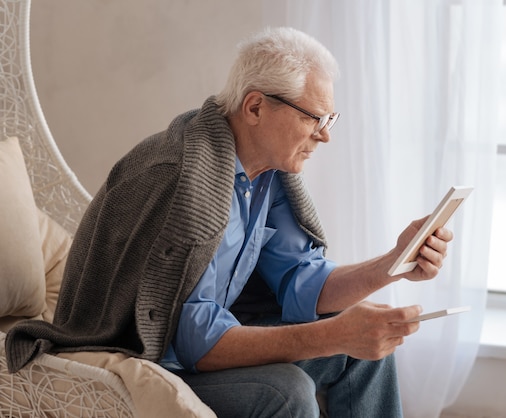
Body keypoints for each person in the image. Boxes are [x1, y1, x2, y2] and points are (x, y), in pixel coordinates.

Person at [6, 27, 453, 417]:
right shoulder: (181, 180)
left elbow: (302, 281)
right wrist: (330, 335)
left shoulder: (269, 175)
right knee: (289, 391)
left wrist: (393, 263)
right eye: (313, 118)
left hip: (203, 340)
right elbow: (194, 340)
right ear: (256, 107)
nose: (325, 134)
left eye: (328, 117)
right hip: (149, 353)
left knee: (368, 354)